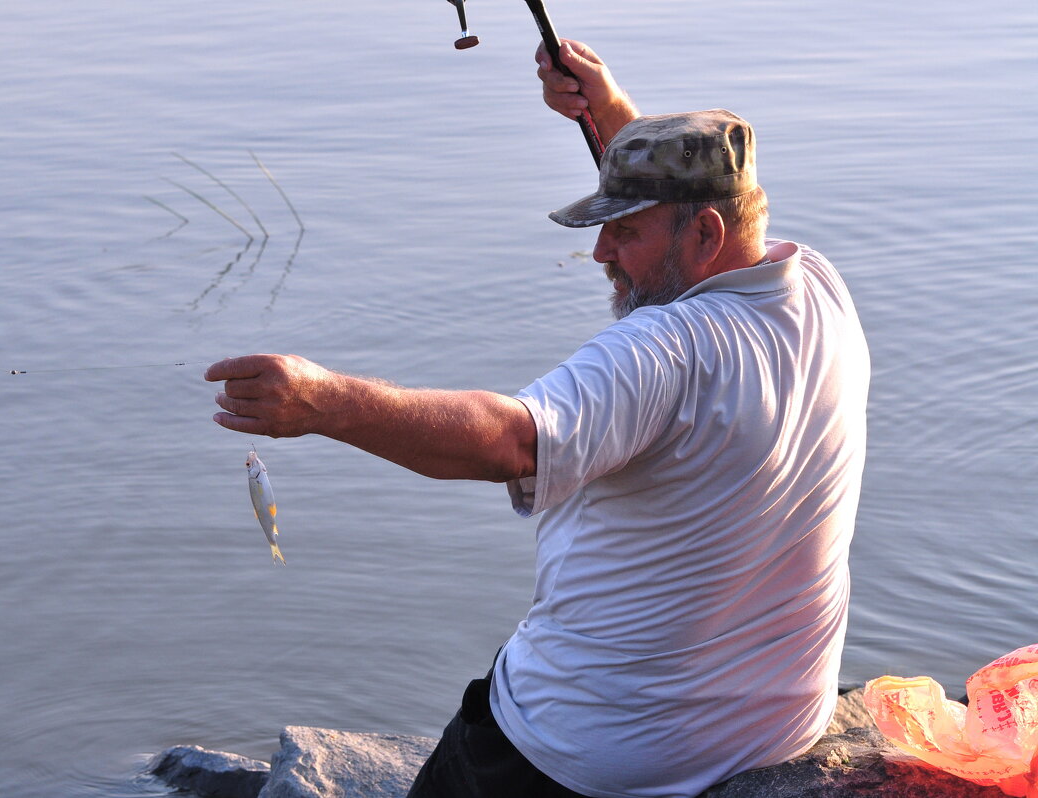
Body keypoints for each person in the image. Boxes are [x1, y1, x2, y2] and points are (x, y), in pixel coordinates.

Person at [205, 38, 869, 798]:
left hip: (596, 755)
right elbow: (708, 195)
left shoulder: (665, 348)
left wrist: (325, 402)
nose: (599, 251)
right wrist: (611, 114)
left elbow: (512, 440)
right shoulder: (816, 287)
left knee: (488, 726)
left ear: (706, 236)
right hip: (774, 727)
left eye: (625, 229)